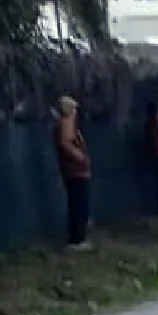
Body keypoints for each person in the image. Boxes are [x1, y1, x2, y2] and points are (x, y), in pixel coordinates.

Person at [54, 96, 92, 250]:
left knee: (77, 203)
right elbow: (65, 143)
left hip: (75, 171)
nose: (76, 111)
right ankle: (77, 239)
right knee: (79, 203)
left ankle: (76, 237)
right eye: (74, 108)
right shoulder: (66, 123)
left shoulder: (66, 124)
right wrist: (81, 158)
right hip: (75, 171)